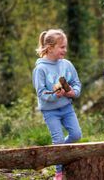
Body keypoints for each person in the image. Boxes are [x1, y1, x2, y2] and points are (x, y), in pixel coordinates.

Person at [32, 29, 82, 180]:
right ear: (50, 48)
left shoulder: (66, 64)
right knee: (58, 140)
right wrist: (55, 95)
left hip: (67, 108)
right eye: (62, 47)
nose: (65, 50)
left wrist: (74, 92)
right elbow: (41, 93)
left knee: (76, 134)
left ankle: (58, 152)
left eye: (65, 47)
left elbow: (76, 83)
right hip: (50, 111)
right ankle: (59, 172)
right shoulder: (40, 69)